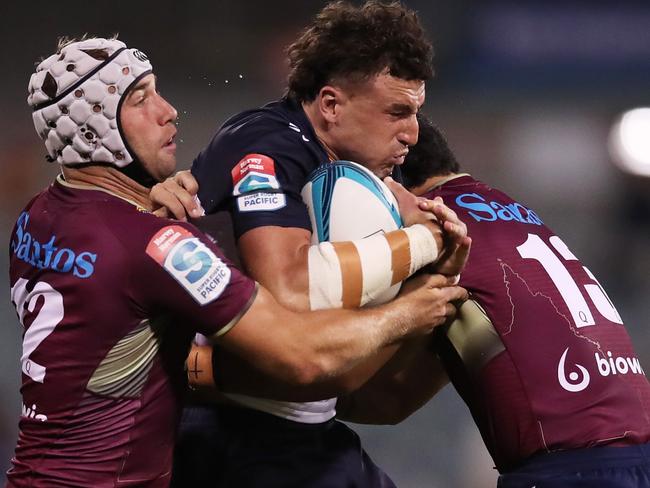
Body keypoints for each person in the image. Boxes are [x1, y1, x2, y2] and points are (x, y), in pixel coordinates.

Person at [7, 37, 468, 487]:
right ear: (95, 130)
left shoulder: (35, 220)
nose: (168, 111)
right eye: (140, 100)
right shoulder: (162, 245)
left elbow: (116, 280)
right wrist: (409, 309)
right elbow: (301, 358)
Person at [154, 1, 470, 487]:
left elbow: (370, 397)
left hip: (302, 423)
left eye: (415, 112)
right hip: (229, 432)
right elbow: (292, 290)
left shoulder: (370, 164)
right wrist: (426, 243)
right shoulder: (265, 145)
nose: (411, 132)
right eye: (396, 111)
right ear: (330, 105)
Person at [336, 114, 650, 488]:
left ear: (386, 178)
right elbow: (397, 398)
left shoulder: (432, 228)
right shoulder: (509, 210)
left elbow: (383, 398)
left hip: (570, 470)